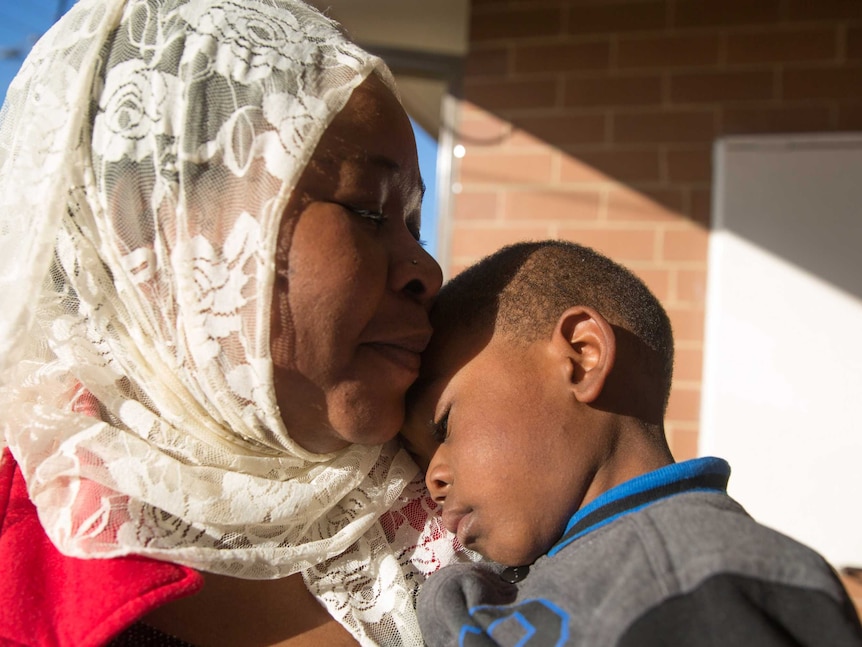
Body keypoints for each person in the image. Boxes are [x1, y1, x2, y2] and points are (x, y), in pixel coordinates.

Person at [0, 0, 465, 645]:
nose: (427, 269)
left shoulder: (466, 492)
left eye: (414, 222)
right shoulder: (24, 563)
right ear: (158, 235)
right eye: (366, 209)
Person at [402, 240, 862, 646]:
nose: (432, 479)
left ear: (582, 358)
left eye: (444, 427)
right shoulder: (626, 557)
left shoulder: (691, 581)